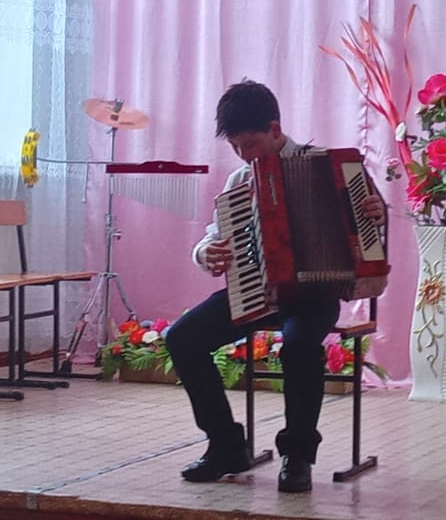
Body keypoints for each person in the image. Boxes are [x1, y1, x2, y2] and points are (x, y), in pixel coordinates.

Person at [164, 80, 386, 494]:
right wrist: (205, 253)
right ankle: (226, 446)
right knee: (182, 337)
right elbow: (214, 237)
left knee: (299, 345)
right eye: (235, 147)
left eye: (250, 144)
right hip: (256, 291)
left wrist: (375, 212)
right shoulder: (239, 180)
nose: (244, 155)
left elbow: (369, 231)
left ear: (275, 129)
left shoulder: (333, 170)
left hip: (315, 296)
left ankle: (297, 456)